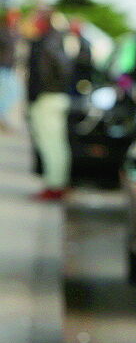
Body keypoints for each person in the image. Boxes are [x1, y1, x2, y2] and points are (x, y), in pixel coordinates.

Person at [26, 10, 74, 200]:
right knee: (54, 143)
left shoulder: (48, 42)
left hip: (48, 98)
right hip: (51, 96)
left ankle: (55, 185)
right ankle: (56, 183)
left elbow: (55, 70)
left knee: (51, 144)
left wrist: (41, 91)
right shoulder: (55, 39)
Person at [0, 9, 19, 131]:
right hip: (3, 66)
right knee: (10, 93)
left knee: (13, 92)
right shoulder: (2, 31)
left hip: (9, 67)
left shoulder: (13, 31)